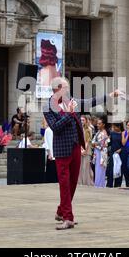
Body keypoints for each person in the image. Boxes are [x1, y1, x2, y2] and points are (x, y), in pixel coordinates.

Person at [43, 76, 119, 230]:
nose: (68, 90)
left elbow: (89, 101)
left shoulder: (71, 100)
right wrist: (69, 114)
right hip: (62, 149)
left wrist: (110, 95)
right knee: (64, 184)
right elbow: (56, 127)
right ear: (57, 89)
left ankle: (61, 211)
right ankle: (68, 218)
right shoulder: (48, 106)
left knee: (72, 183)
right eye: (65, 87)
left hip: (76, 146)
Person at [92, 117, 109, 188]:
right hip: (98, 151)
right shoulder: (99, 132)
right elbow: (93, 142)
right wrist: (94, 144)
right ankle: (98, 184)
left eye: (99, 124)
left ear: (103, 125)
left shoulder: (104, 133)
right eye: (97, 124)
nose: (98, 125)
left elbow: (103, 145)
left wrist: (95, 144)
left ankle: (99, 185)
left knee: (100, 168)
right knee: (97, 168)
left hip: (101, 153)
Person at [78, 115, 94, 186]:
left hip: (87, 150)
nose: (82, 122)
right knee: (80, 167)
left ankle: (87, 182)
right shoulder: (78, 129)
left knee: (86, 166)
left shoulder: (89, 129)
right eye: (80, 120)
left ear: (86, 121)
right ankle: (80, 182)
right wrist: (80, 149)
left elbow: (87, 141)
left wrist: (84, 150)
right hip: (80, 149)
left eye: (83, 120)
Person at [107, 123, 123, 188]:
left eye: (115, 127)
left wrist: (121, 149)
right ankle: (109, 184)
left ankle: (117, 184)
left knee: (118, 168)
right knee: (111, 168)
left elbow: (125, 144)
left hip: (120, 153)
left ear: (119, 127)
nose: (114, 128)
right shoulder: (112, 133)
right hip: (113, 153)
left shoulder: (123, 134)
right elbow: (109, 143)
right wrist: (107, 140)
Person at [42, 118, 57, 183]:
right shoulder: (48, 130)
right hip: (51, 153)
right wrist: (49, 153)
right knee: (51, 169)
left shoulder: (56, 129)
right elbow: (46, 143)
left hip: (57, 153)